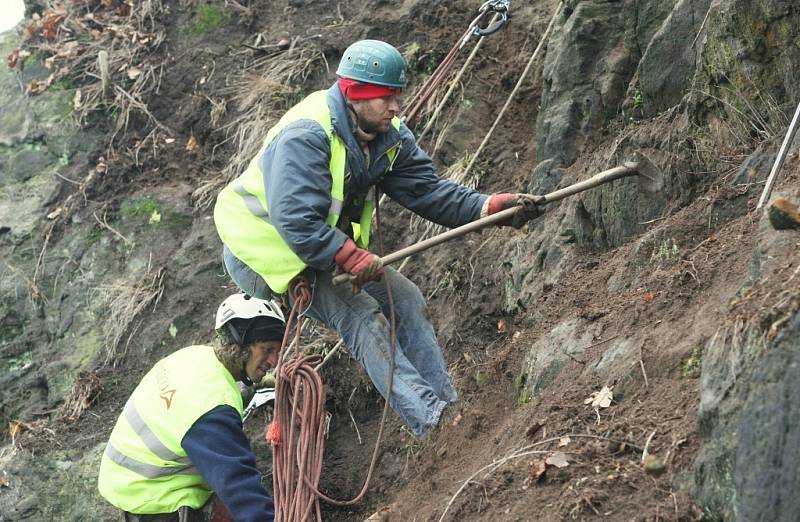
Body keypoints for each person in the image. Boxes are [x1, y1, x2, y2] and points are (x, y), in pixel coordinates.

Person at [213, 39, 538, 438]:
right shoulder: (307, 134)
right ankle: (433, 424)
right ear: (354, 93)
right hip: (263, 252)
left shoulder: (387, 137)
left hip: (318, 246)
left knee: (406, 301)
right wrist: (348, 256)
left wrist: (489, 208)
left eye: (397, 96)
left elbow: (428, 192)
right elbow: (295, 219)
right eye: (386, 98)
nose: (396, 107)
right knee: (361, 316)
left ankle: (451, 410)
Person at [97, 294, 285, 522]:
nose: (275, 360)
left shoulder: (194, 357)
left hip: (125, 480)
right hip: (157, 501)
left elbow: (192, 406)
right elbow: (237, 484)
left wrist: (254, 386)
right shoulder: (212, 405)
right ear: (241, 345)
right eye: (267, 349)